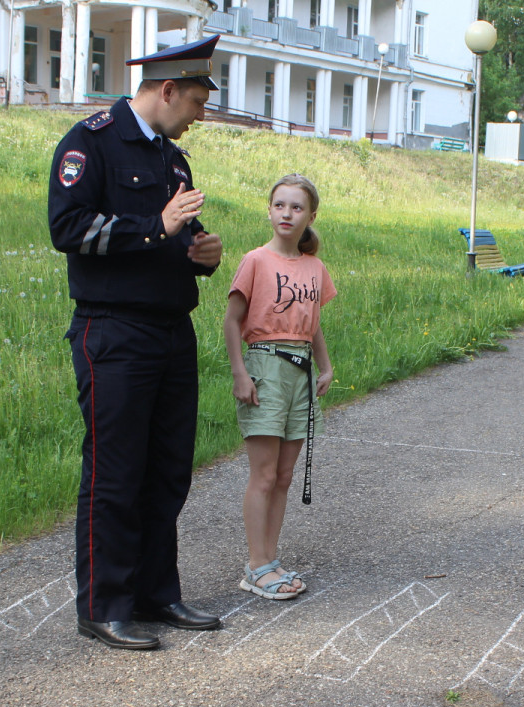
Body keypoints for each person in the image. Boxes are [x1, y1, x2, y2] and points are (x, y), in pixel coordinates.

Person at [48, 35, 224, 650]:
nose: (200, 115)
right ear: (167, 89)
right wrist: (158, 227)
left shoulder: (173, 160)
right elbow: (68, 228)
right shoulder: (90, 142)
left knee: (168, 471)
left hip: (171, 330)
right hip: (114, 331)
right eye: (196, 101)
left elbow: (178, 236)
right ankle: (104, 604)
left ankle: (155, 593)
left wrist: (202, 254)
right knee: (116, 474)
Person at [223, 175, 335, 600]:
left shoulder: (314, 268)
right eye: (280, 205)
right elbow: (233, 320)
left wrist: (324, 366)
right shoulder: (255, 260)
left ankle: (270, 559)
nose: (287, 213)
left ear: (310, 215)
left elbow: (314, 323)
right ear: (269, 211)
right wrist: (240, 373)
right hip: (265, 366)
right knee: (264, 474)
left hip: (301, 373)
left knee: (285, 475)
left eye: (296, 207)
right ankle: (256, 566)